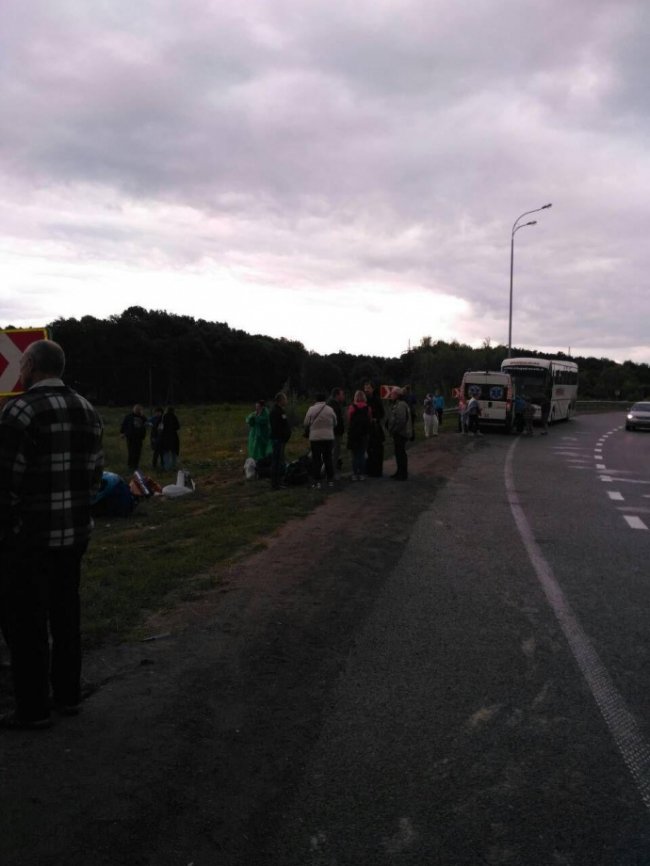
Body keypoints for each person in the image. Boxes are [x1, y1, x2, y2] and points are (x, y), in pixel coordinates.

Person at [0, 339, 103, 729]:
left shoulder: (20, 410)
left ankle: (33, 708)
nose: (20, 371)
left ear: (30, 365)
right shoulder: (88, 410)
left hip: (29, 539)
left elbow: (5, 481)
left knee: (25, 623)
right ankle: (67, 695)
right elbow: (95, 476)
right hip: (74, 535)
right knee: (66, 616)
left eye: (23, 365)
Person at [303, 393, 337, 488]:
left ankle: (317, 481)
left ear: (316, 400)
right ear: (324, 399)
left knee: (316, 459)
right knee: (328, 458)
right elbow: (335, 422)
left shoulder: (311, 409)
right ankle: (330, 480)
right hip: (328, 437)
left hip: (315, 438)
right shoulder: (330, 409)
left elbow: (305, 422)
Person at [386, 387, 412, 480]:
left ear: (396, 394)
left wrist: (394, 430)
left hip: (400, 433)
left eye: (392, 394)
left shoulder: (401, 404)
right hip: (399, 432)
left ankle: (402, 474)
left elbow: (401, 420)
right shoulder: (398, 404)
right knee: (398, 453)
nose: (391, 395)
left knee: (400, 453)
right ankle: (399, 471)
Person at [347, 390, 372, 480]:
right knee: (362, 454)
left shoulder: (352, 407)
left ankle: (354, 473)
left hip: (354, 434)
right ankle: (362, 474)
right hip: (364, 434)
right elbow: (370, 419)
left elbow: (349, 420)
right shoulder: (368, 407)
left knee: (354, 454)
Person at [269, 392, 291, 490]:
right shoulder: (276, 411)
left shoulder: (280, 410)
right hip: (278, 439)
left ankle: (279, 481)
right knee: (277, 461)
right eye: (285, 399)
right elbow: (277, 427)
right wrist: (283, 435)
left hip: (280, 439)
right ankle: (275, 483)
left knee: (279, 460)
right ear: (280, 400)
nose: (286, 401)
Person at [364, 381, 385, 477]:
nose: (366, 390)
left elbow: (382, 413)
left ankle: (377, 471)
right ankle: (369, 469)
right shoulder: (364, 400)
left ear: (373, 389)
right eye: (365, 388)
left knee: (377, 450)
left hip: (375, 428)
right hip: (367, 428)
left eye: (368, 388)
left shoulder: (377, 400)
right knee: (368, 449)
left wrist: (376, 418)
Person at [120, 404, 147, 470]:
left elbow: (146, 422)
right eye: (136, 409)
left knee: (138, 452)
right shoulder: (129, 416)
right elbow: (124, 424)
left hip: (139, 437)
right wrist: (122, 433)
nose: (137, 410)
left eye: (139, 409)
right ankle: (130, 465)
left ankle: (136, 465)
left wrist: (143, 415)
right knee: (131, 451)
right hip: (131, 437)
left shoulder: (142, 417)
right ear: (133, 409)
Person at [327, 388, 346, 479]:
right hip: (335, 432)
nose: (343, 396)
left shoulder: (331, 404)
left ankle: (329, 471)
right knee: (334, 453)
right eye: (342, 394)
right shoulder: (333, 405)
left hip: (333, 432)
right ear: (337, 395)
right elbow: (336, 420)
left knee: (332, 452)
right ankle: (331, 472)